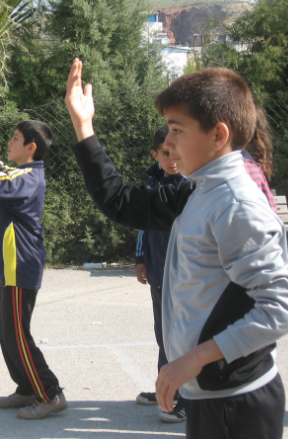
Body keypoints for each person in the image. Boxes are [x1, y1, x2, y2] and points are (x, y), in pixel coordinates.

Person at [65, 58, 288, 439]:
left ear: (218, 136)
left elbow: (282, 308)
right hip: (211, 394)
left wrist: (195, 358)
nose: (168, 142)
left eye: (177, 130)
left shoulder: (235, 205)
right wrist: (83, 125)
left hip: (236, 404)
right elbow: (123, 202)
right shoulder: (198, 188)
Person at [0, 120, 67, 420]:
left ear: (30, 148)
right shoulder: (22, 173)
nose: (10, 142)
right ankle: (27, 388)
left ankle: (50, 393)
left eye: (15, 138)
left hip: (21, 265)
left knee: (18, 335)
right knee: (7, 331)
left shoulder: (28, 180)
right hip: (13, 267)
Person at [134, 125, 187, 423]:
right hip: (158, 273)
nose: (172, 158)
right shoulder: (152, 185)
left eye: (175, 151)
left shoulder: (189, 185)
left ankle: (184, 397)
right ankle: (166, 386)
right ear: (156, 155)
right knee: (164, 334)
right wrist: (140, 257)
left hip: (183, 276)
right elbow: (143, 223)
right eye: (165, 153)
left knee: (182, 337)